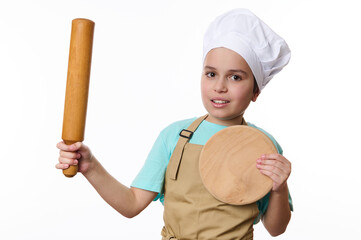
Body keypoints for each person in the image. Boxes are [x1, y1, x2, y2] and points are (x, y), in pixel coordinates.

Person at [56, 8, 293, 239]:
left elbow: (275, 228)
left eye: (235, 77)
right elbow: (132, 204)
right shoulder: (174, 136)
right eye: (211, 74)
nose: (220, 86)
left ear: (256, 90)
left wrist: (279, 188)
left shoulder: (264, 147)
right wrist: (90, 167)